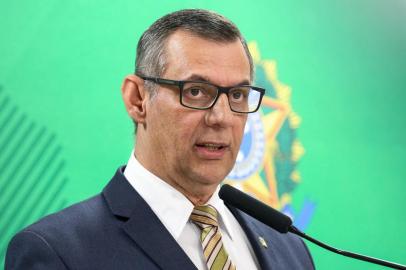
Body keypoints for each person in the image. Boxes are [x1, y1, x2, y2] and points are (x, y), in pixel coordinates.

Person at [5, 9, 315, 270]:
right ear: (138, 99)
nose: (221, 117)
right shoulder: (57, 252)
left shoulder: (289, 247)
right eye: (195, 91)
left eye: (237, 95)